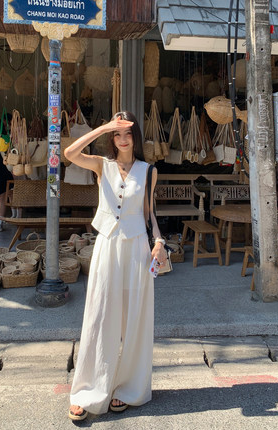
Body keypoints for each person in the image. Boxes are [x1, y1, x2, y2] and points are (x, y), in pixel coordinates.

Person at [64, 111, 168, 421]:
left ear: (136, 137)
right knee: (100, 315)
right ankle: (87, 391)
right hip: (107, 245)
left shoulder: (149, 171)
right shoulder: (102, 165)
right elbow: (70, 153)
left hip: (137, 247)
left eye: (128, 133)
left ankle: (129, 388)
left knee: (136, 318)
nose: (123, 139)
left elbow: (149, 213)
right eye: (117, 134)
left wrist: (159, 241)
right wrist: (104, 127)